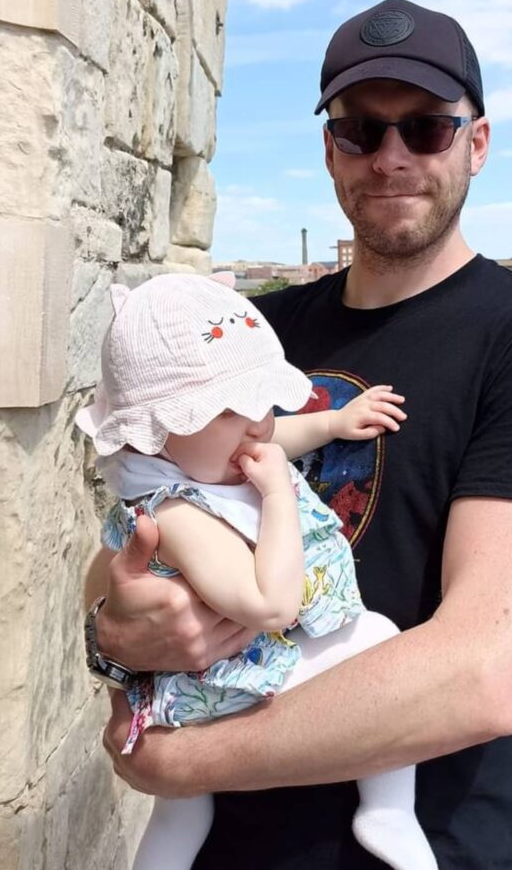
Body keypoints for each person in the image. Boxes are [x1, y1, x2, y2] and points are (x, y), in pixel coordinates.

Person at [87, 0, 512, 869]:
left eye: (427, 128)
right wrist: (111, 631)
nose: (390, 156)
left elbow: (484, 672)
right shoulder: (249, 334)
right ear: (331, 149)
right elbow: (131, 532)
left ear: (477, 143)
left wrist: (178, 761)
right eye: (361, 129)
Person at [78, 272, 437, 870]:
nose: (258, 425)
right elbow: (272, 605)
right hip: (218, 683)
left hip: (191, 688)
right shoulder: (179, 515)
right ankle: (389, 807)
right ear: (153, 436)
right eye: (227, 410)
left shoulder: (199, 459)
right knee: (378, 640)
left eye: (263, 403)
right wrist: (277, 498)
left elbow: (269, 438)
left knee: (181, 814)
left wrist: (331, 424)